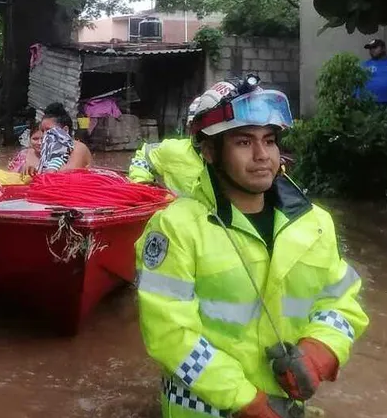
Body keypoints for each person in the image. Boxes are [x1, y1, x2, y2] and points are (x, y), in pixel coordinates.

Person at [134, 76, 368, 418]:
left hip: (285, 407)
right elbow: (170, 333)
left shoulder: (315, 223)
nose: (262, 156)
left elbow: (341, 301)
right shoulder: (176, 229)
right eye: (244, 142)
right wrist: (247, 401)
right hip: (204, 410)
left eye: (269, 141)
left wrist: (320, 351)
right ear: (210, 152)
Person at [31, 103, 92, 174]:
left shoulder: (79, 148)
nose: (44, 135)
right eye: (42, 131)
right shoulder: (47, 150)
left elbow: (69, 174)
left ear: (65, 130)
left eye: (49, 130)